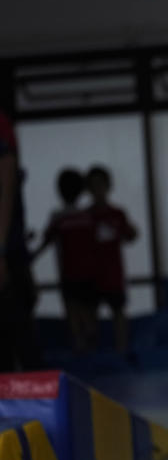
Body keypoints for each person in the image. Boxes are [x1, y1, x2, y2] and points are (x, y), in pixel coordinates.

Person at [32, 168, 98, 352]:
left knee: (75, 311)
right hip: (86, 273)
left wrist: (30, 257)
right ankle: (87, 345)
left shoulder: (62, 217)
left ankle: (82, 345)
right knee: (85, 311)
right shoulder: (86, 217)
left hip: (72, 273)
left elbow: (46, 241)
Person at [0, 108, 43, 372]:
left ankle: (38, 400)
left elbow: (6, 185)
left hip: (8, 251)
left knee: (17, 327)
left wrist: (0, 249)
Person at [85, 165, 137, 356]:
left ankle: (122, 351)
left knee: (118, 312)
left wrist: (130, 231)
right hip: (92, 275)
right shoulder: (85, 216)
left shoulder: (117, 214)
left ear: (108, 186)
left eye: (101, 184)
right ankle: (91, 355)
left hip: (113, 274)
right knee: (90, 315)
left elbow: (131, 235)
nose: (98, 189)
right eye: (93, 185)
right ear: (88, 188)